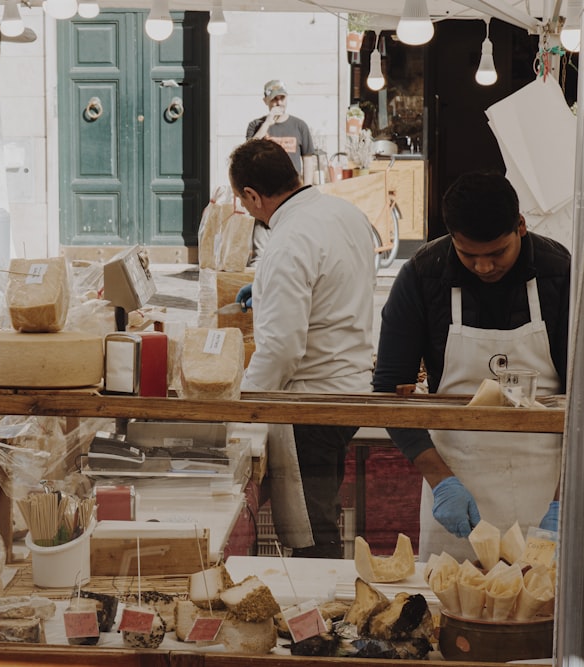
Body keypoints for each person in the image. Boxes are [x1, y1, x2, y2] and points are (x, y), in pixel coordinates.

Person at [372, 171, 570, 563]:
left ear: (521, 227)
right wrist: (441, 480)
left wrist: (568, 498)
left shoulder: (560, 273)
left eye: (496, 253)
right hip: (457, 479)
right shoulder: (422, 276)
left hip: (548, 485)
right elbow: (389, 392)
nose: (483, 267)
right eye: (468, 254)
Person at [231, 139, 376, 558]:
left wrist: (239, 409)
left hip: (310, 403)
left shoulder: (287, 240)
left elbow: (281, 348)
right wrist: (267, 291)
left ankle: (322, 617)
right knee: (322, 513)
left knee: (315, 531)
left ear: (253, 196)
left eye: (244, 203)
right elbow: (332, 286)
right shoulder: (345, 213)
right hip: (350, 389)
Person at [245, 80, 316, 185]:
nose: (279, 103)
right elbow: (248, 153)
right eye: (274, 99)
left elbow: (308, 159)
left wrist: (307, 188)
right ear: (265, 101)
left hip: (293, 188)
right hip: (265, 187)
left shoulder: (300, 125)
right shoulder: (255, 125)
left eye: (282, 98)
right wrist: (267, 124)